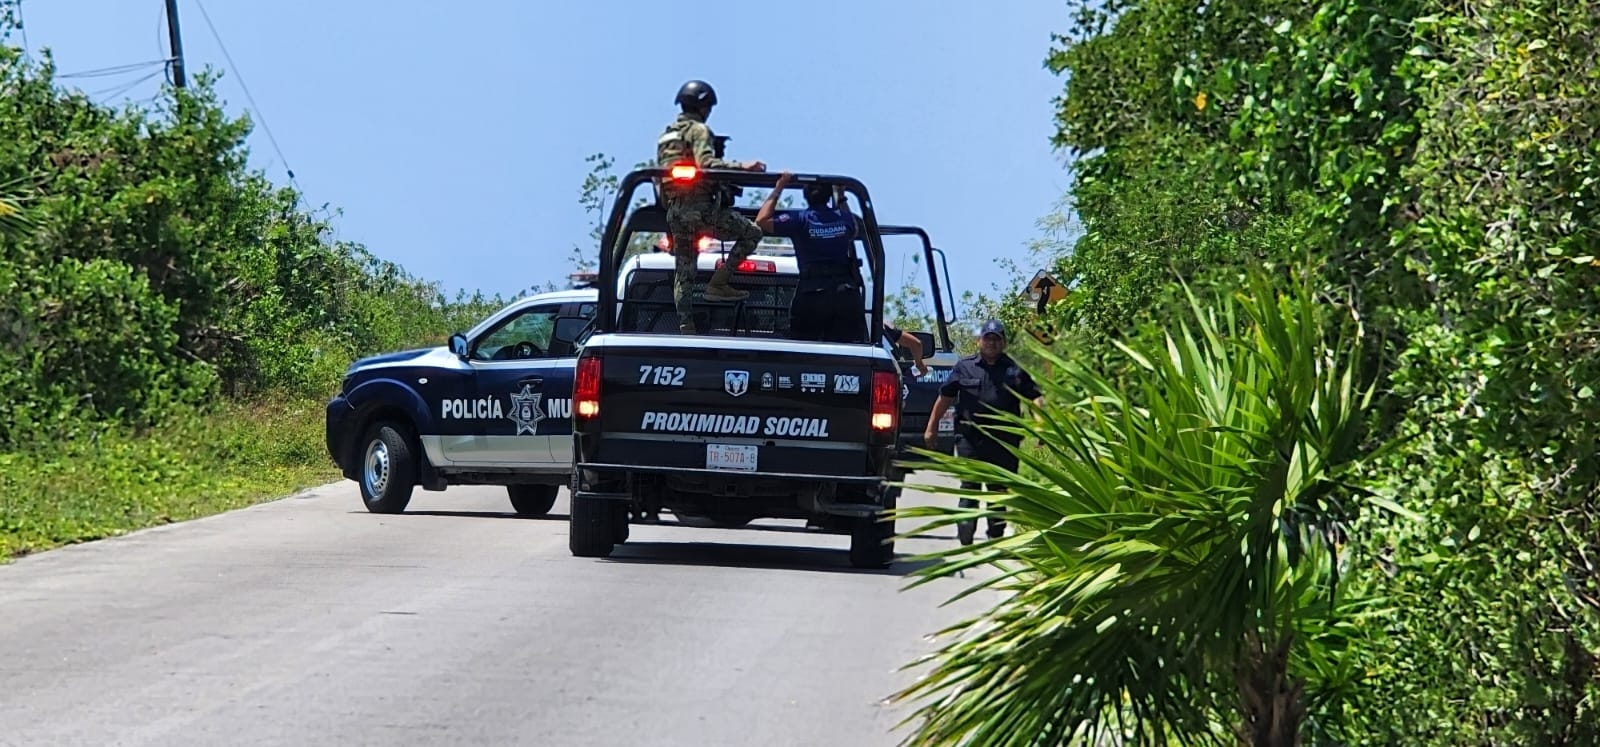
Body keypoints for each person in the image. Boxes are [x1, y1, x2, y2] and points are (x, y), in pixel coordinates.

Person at [655, 79, 768, 334]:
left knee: (684, 272)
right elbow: (707, 163)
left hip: (675, 212)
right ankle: (718, 284)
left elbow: (660, 177)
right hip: (701, 210)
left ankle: (686, 328)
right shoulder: (699, 130)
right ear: (703, 106)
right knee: (753, 232)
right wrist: (743, 167)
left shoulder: (666, 136)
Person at [923, 319, 1043, 545]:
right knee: (970, 485)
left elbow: (1034, 397)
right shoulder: (964, 367)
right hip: (970, 439)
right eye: (988, 338)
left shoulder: (1014, 370)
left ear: (1004, 343)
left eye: (996, 339)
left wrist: (1040, 427)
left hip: (1004, 442)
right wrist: (932, 428)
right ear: (979, 341)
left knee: (998, 489)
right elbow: (945, 397)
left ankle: (996, 537)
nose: (991, 343)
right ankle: (966, 533)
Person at [755, 171, 867, 343]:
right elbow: (854, 229)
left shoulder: (800, 219)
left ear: (805, 195)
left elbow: (762, 221)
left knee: (804, 348)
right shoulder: (843, 218)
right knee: (849, 349)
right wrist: (841, 196)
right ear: (829, 196)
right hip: (845, 294)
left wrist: (779, 187)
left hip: (813, 293)